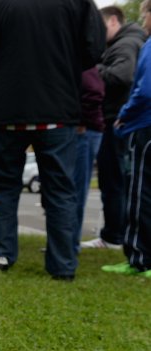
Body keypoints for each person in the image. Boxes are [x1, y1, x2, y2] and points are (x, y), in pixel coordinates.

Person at [0, 0, 106, 280]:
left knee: (4, 188)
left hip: (9, 110)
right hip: (58, 108)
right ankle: (63, 265)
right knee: (60, 190)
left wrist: (10, 55)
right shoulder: (78, 3)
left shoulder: (0, 4)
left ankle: (3, 254)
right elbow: (94, 49)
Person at [82, 6, 147, 250]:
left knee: (114, 181)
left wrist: (92, 70)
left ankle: (113, 236)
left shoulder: (126, 44)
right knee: (119, 180)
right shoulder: (128, 42)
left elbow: (123, 75)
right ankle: (117, 234)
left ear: (112, 21)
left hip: (117, 120)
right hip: (121, 120)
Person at [103, 0, 151, 277]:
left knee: (140, 193)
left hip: (144, 126)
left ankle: (139, 258)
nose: (143, 22)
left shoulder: (147, 46)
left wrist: (124, 114)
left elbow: (144, 91)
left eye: (145, 15)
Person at [72, 67, 105, 254]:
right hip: (82, 127)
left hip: (84, 130)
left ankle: (70, 243)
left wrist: (81, 121)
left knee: (76, 189)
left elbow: (93, 92)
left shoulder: (84, 64)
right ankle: (67, 242)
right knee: (73, 188)